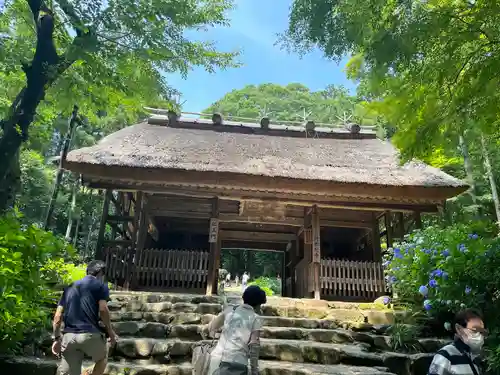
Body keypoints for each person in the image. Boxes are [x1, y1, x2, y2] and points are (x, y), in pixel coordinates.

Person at [51, 260, 118, 375]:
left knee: (68, 372)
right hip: (90, 335)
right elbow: (103, 309)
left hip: (69, 337)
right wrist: (110, 332)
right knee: (102, 358)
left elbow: (57, 317)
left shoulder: (69, 287)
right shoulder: (101, 286)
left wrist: (57, 338)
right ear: (101, 273)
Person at [202, 285, 266, 375]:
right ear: (259, 304)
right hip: (238, 363)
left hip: (217, 359)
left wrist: (204, 330)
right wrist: (254, 369)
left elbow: (212, 327)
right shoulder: (255, 318)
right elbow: (254, 345)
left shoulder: (230, 310)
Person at [428, 309, 486, 375]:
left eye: (481, 332)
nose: (479, 335)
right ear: (459, 329)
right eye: (474, 330)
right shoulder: (445, 355)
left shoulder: (474, 359)